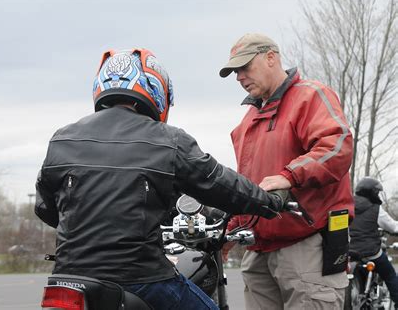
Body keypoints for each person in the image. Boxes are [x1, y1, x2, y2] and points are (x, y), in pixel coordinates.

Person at [34, 48, 286, 310]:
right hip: (139, 277)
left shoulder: (62, 138)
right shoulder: (168, 140)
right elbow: (219, 183)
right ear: (156, 88)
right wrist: (269, 201)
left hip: (68, 277)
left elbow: (45, 208)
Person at [218, 33, 354, 309]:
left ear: (271, 58)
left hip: (306, 247)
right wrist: (229, 229)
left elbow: (336, 146)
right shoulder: (248, 122)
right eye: (235, 71)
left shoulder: (310, 96)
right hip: (258, 251)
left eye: (245, 67)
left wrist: (289, 176)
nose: (239, 77)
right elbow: (251, 185)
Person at [349, 177, 398, 306]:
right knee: (390, 274)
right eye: (376, 192)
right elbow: (393, 227)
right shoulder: (376, 209)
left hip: (349, 251)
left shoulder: (347, 203)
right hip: (370, 252)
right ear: (371, 193)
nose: (377, 195)